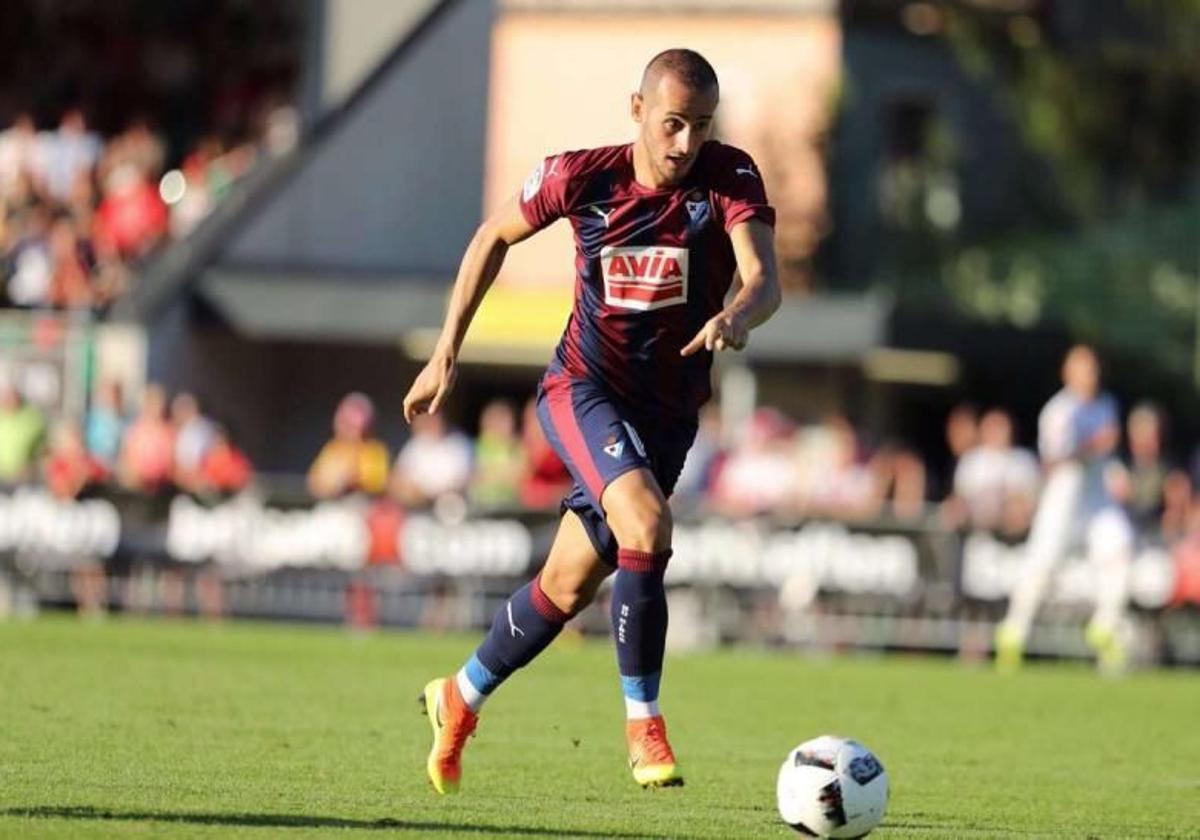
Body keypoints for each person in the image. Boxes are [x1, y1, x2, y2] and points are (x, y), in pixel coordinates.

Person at [402, 49, 780, 793]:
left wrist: (738, 313)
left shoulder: (729, 176)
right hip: (584, 389)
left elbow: (765, 278)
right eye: (673, 123)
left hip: (668, 415)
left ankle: (460, 695)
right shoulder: (582, 176)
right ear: (636, 109)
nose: (685, 143)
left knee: (567, 586)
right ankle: (644, 724)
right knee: (647, 526)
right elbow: (491, 237)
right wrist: (447, 353)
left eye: (701, 126)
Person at [994, 346, 1135, 673]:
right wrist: (1091, 445)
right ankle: (1013, 633)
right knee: (1041, 567)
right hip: (1064, 495)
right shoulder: (1059, 411)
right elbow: (1054, 460)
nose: (1091, 376)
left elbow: (1108, 451)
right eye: (1084, 369)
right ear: (1068, 373)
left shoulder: (1106, 404)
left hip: (1097, 496)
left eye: (1094, 369)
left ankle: (1104, 626)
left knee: (1120, 549)